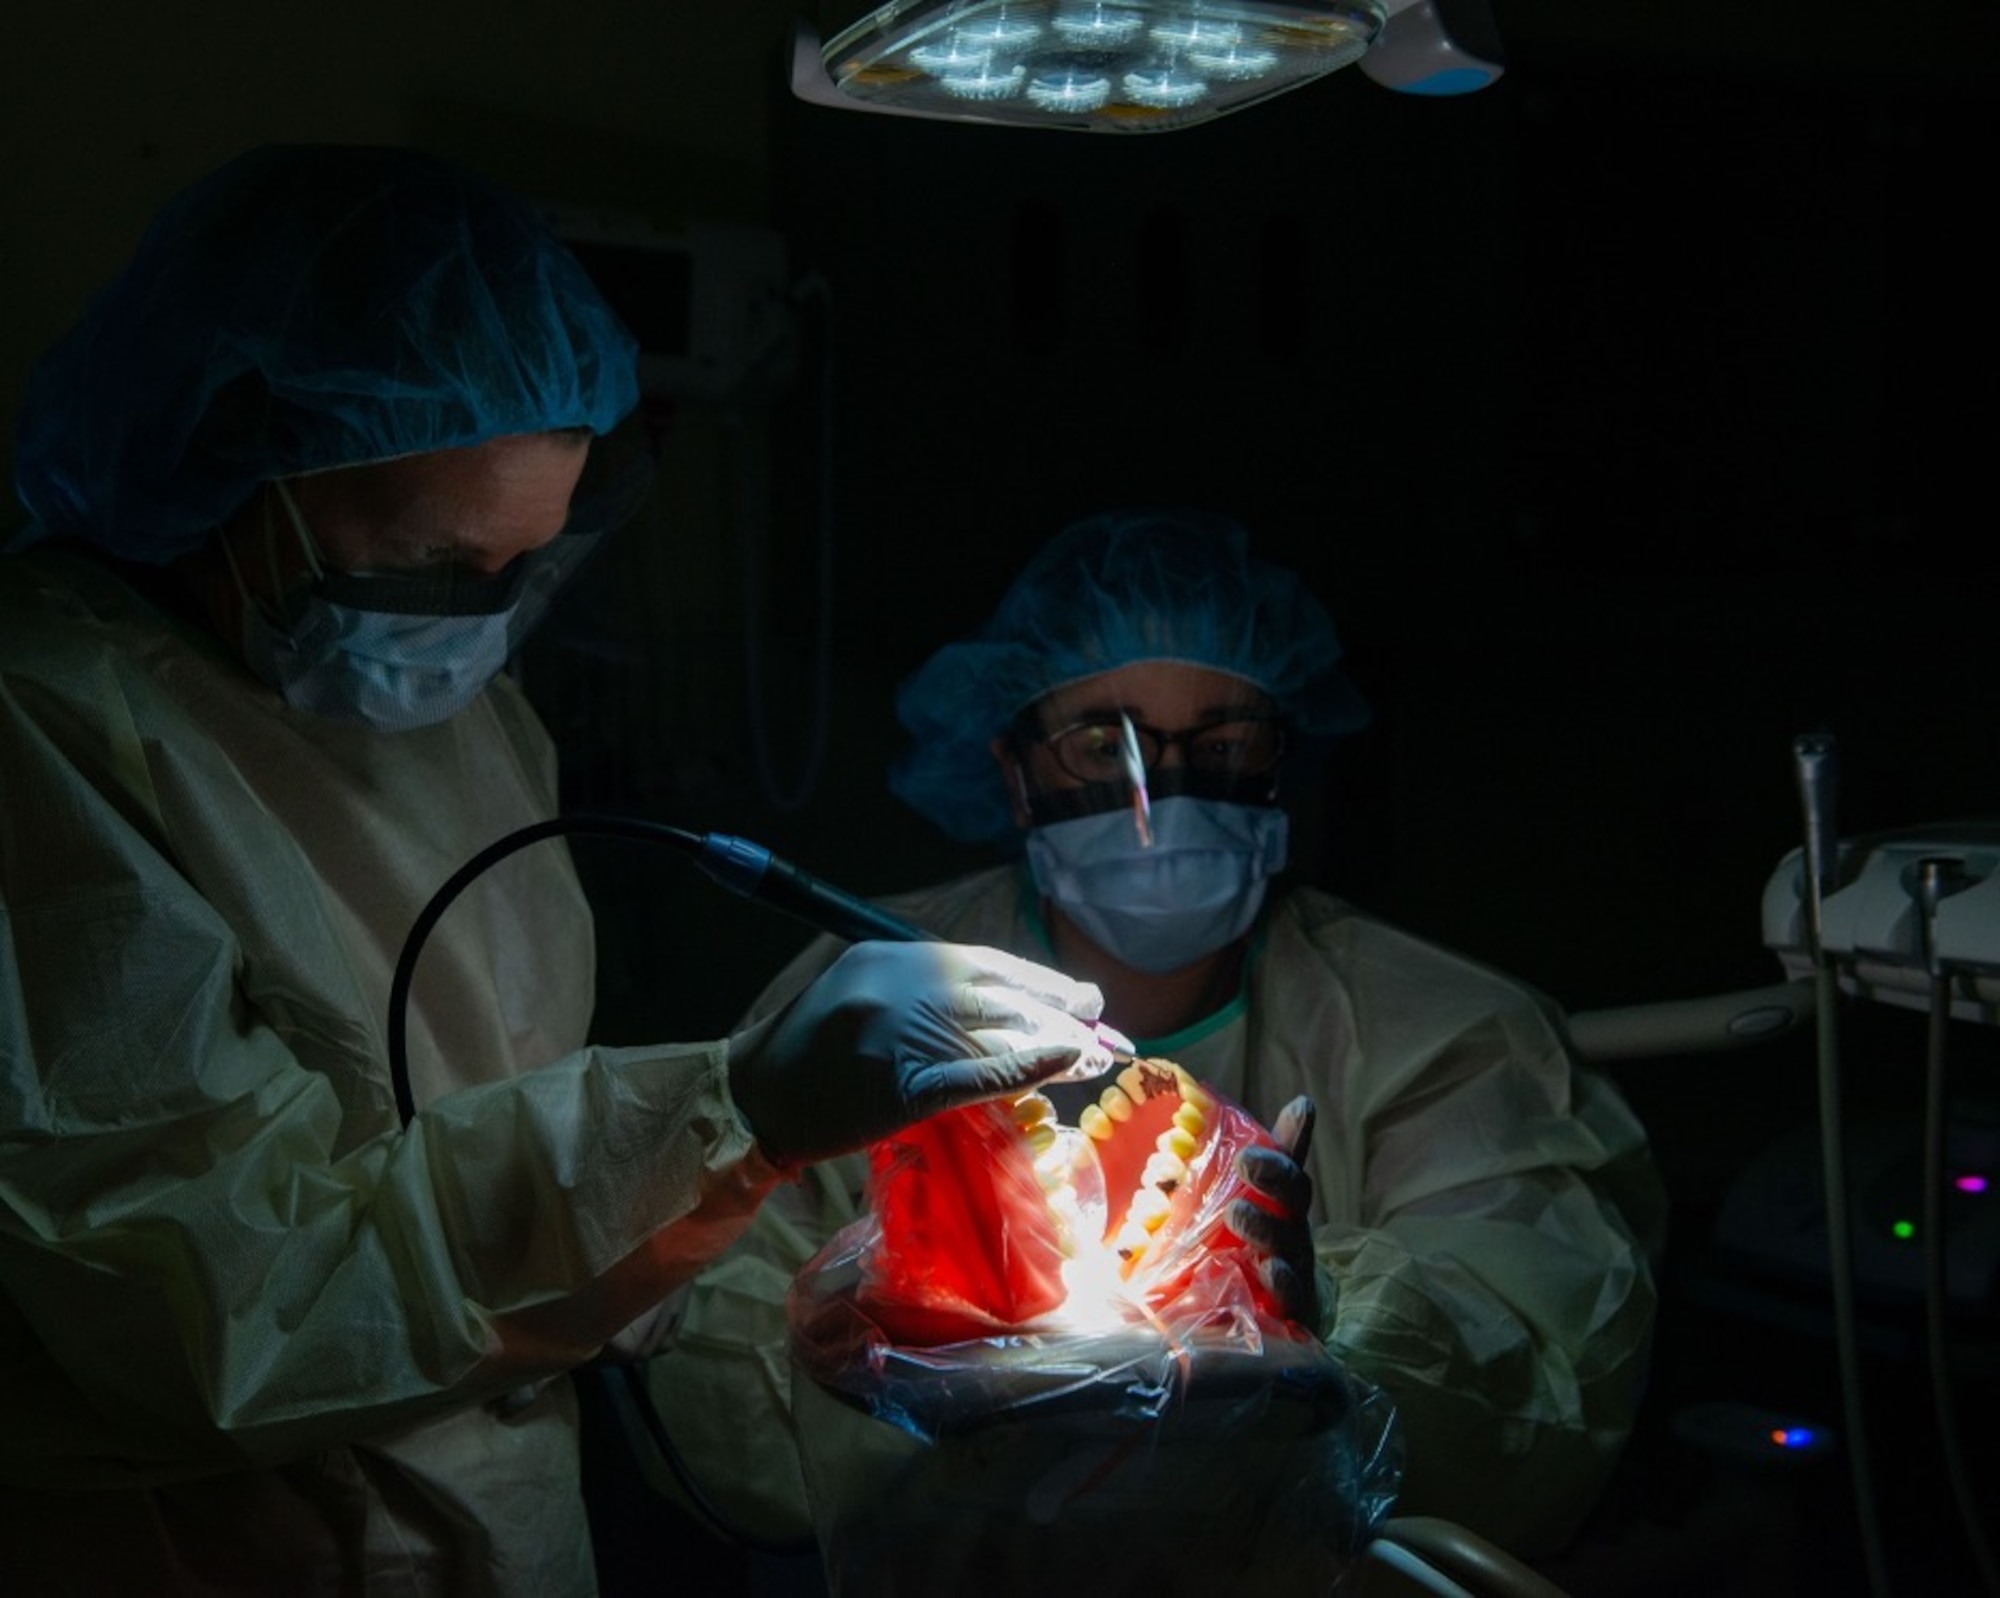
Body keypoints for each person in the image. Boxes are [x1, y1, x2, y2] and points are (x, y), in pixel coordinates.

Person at [0, 144, 1124, 1597]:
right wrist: (731, 1111)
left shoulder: (464, 715)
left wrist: (749, 1289)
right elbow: (230, 1309)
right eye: (425, 567)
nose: (473, 630)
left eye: (521, 571)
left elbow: (495, 1163)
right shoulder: (46, 733)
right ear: (235, 452)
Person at [635, 509, 1666, 1567]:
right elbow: (718, 1382)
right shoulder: (862, 997)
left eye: (1223, 742)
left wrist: (1326, 1322)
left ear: (1280, 764)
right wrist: (902, 1352)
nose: (1159, 789)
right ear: (1010, 767)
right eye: (1098, 742)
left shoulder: (1445, 1036)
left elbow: (1541, 1386)